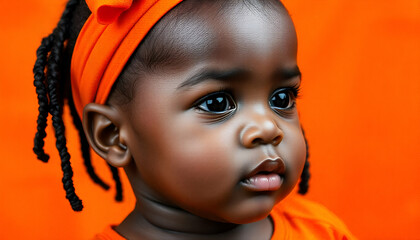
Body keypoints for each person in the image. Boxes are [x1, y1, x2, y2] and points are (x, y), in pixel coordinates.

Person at [33, 0, 356, 239]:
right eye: (217, 103)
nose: (268, 127)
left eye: (281, 99)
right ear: (113, 134)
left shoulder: (321, 232)